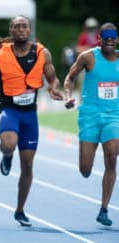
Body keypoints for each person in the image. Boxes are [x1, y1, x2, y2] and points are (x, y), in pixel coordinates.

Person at [0, 16, 64, 227]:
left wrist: (54, 88)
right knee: (8, 143)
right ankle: (6, 155)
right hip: (10, 111)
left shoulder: (42, 53)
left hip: (30, 116)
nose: (20, 29)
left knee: (27, 164)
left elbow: (53, 78)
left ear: (30, 30)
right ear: (11, 30)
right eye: (16, 27)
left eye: (24, 26)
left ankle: (20, 210)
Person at [64, 23, 119, 226]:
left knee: (112, 157)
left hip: (114, 116)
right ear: (100, 39)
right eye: (106, 37)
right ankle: (88, 163)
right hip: (89, 115)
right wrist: (68, 97)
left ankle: (104, 208)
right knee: (85, 169)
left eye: (113, 36)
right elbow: (69, 78)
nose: (110, 40)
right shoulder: (88, 57)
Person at [75, 17, 100, 91]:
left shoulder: (98, 36)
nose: (91, 29)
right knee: (82, 85)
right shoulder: (83, 36)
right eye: (90, 27)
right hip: (84, 65)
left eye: (93, 27)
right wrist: (90, 48)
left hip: (96, 64)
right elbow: (78, 49)